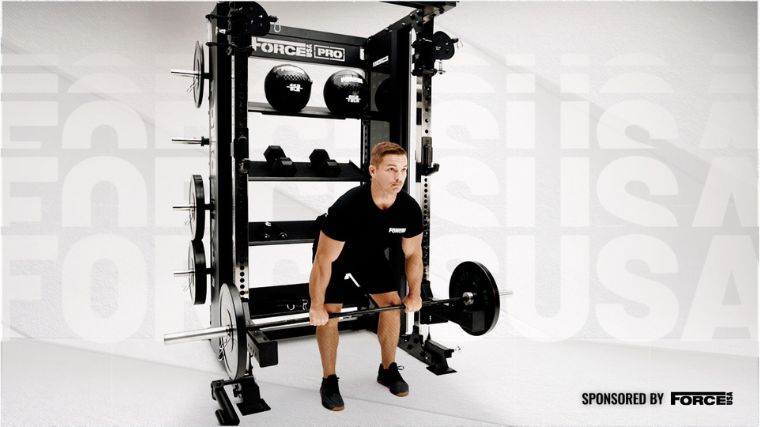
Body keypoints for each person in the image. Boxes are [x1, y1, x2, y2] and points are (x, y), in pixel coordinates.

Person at [308, 141, 423, 411]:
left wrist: (415, 293)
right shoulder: (348, 207)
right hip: (336, 255)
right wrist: (315, 305)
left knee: (392, 304)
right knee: (330, 312)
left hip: (368, 254)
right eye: (391, 169)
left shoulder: (409, 209)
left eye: (404, 170)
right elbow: (323, 260)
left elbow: (413, 254)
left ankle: (387, 369)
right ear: (373, 170)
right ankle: (329, 380)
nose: (399, 177)